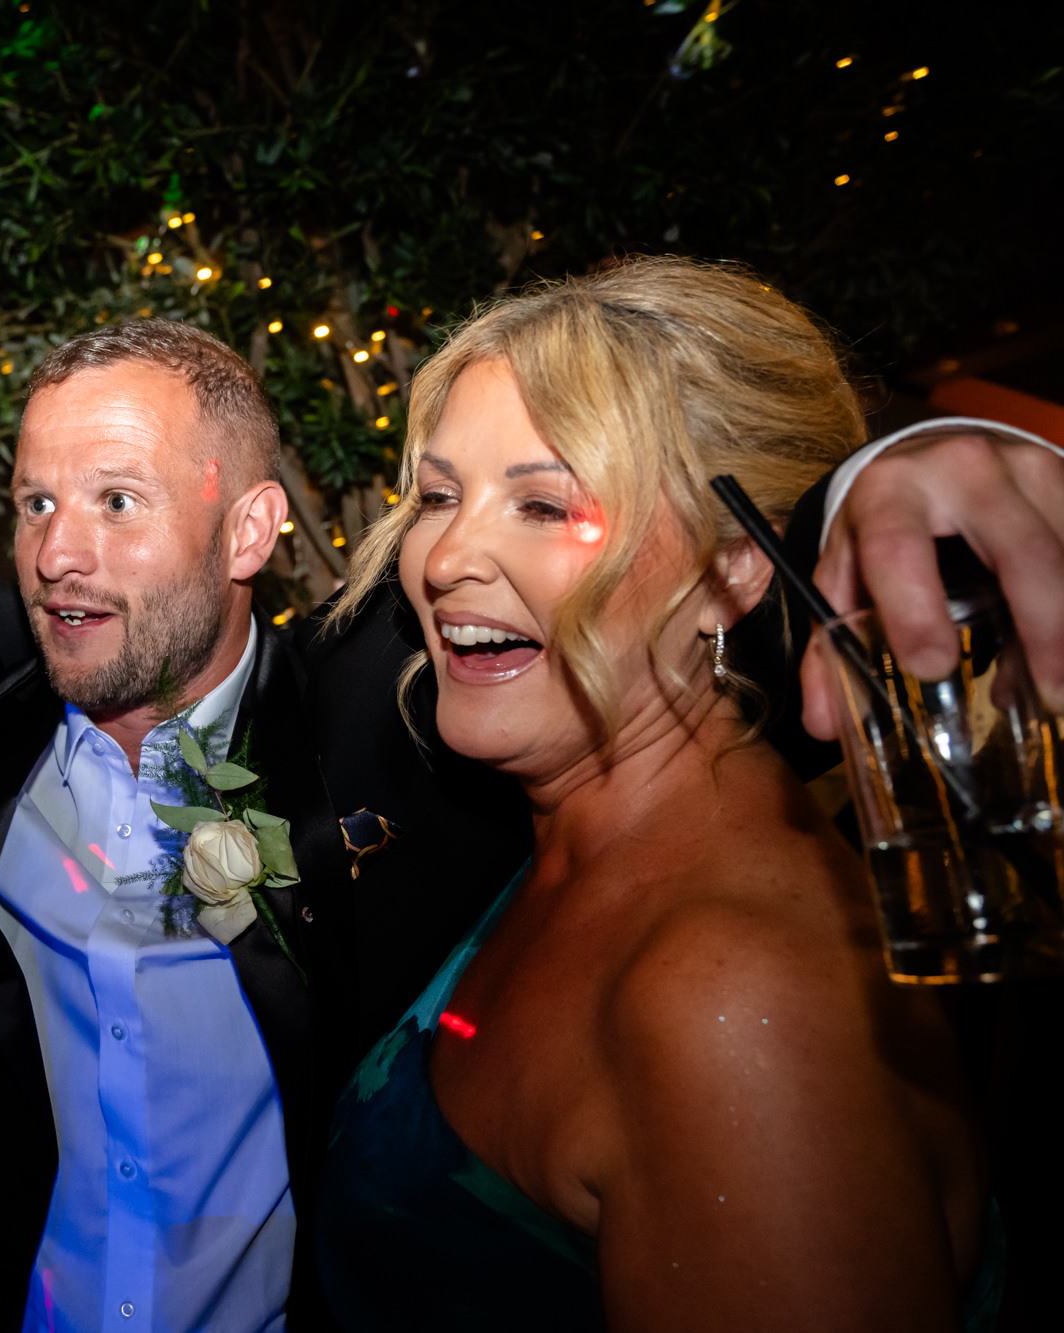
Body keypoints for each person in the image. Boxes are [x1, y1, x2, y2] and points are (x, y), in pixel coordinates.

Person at [0, 309, 1064, 1331]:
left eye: (115, 497)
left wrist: (924, 456)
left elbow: (667, 557)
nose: (56, 545)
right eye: (34, 496)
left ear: (251, 525)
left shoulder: (413, 694)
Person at [316, 257, 1001, 1330]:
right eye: (439, 495)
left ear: (733, 568)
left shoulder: (730, 1003)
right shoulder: (561, 833)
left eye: (544, 504)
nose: (444, 555)